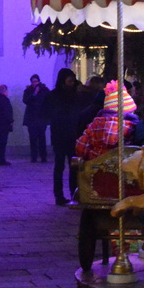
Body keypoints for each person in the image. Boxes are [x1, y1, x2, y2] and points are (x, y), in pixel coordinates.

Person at [49, 69, 92, 205]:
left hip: (74, 134)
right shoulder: (54, 95)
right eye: (69, 81)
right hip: (60, 135)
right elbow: (47, 112)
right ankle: (59, 195)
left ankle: (75, 192)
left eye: (73, 81)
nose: (72, 83)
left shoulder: (76, 94)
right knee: (59, 165)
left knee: (74, 165)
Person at [21, 74, 49, 163]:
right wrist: (34, 94)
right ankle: (34, 156)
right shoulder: (28, 91)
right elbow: (25, 100)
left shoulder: (44, 90)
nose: (34, 83)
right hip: (32, 118)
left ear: (39, 81)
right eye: (33, 82)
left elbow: (49, 99)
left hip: (41, 117)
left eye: (36, 81)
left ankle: (43, 156)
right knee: (33, 138)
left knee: (42, 138)